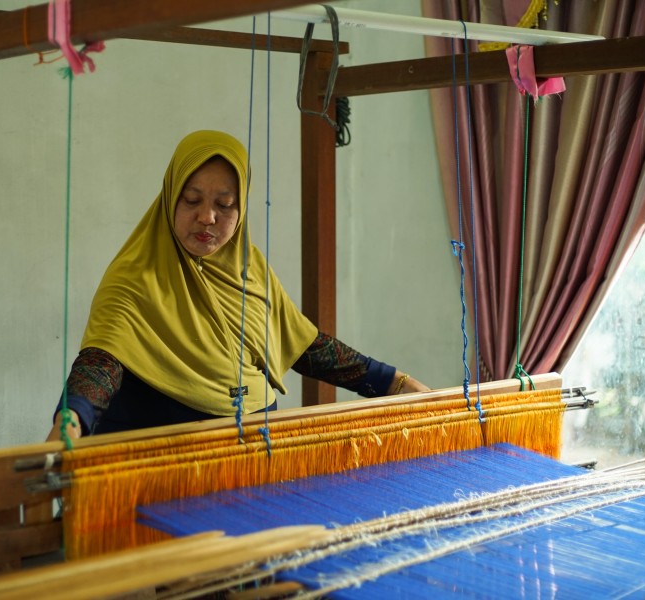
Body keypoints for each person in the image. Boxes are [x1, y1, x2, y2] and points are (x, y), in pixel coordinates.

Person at [47, 130, 429, 441]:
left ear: (241, 210)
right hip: (160, 480)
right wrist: (72, 418)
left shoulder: (250, 269)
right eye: (191, 200)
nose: (207, 217)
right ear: (169, 199)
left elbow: (302, 346)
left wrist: (391, 383)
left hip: (250, 467)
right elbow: (102, 362)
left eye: (225, 204)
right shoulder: (135, 278)